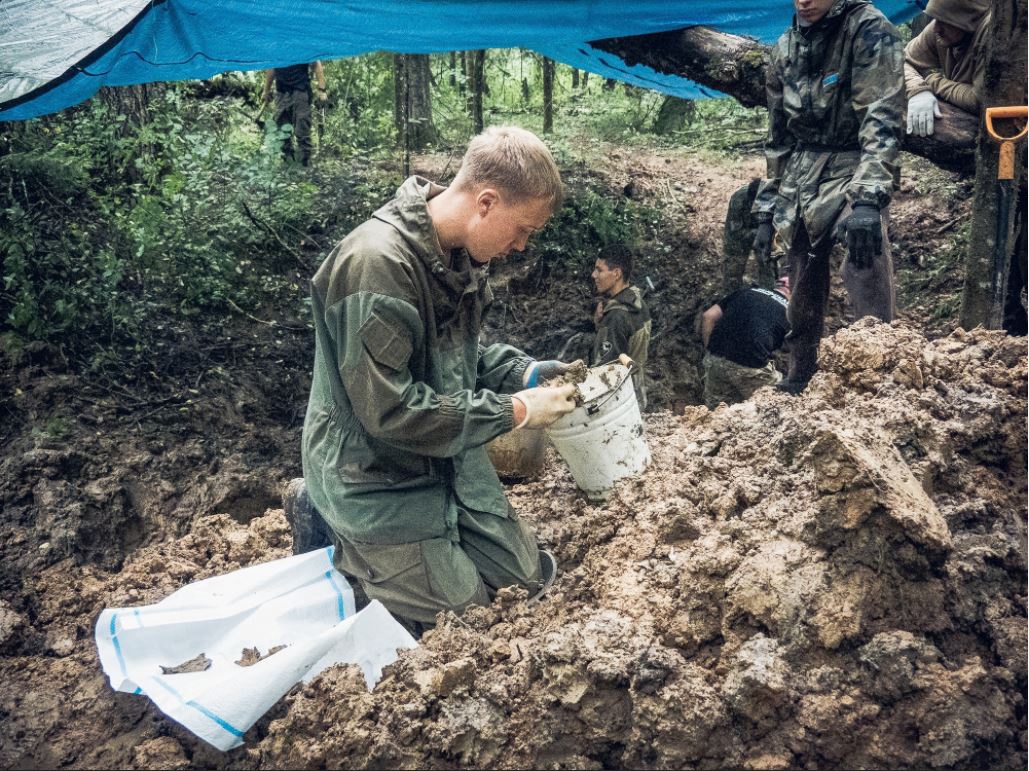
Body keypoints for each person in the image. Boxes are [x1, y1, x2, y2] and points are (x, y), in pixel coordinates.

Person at [286, 126, 580, 635]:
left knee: (525, 581)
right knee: (467, 621)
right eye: (522, 230)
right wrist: (516, 411)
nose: (521, 246)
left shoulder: (458, 254)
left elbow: (453, 358)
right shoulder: (376, 265)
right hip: (373, 472)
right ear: (486, 202)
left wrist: (526, 373)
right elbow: (390, 410)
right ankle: (326, 520)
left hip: (442, 454)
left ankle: (417, 557)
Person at [752, 0, 905, 394]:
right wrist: (766, 211)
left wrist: (868, 198)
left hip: (857, 161)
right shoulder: (785, 46)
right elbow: (778, 137)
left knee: (865, 247)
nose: (805, 1)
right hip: (802, 172)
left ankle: (880, 368)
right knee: (801, 268)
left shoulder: (868, 29)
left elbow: (881, 116)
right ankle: (800, 374)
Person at [701, 277, 792, 408]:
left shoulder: (747, 291)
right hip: (751, 367)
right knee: (787, 401)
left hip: (715, 359)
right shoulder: (791, 311)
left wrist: (711, 352)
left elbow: (708, 316)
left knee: (718, 411)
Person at [904, 0, 991, 137]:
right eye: (935, 19)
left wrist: (932, 81)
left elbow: (981, 101)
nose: (936, 29)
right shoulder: (939, 30)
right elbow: (901, 61)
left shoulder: (992, 33)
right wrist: (918, 90)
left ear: (967, 19)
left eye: (944, 21)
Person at [590, 244, 651, 408]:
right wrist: (599, 323)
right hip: (636, 394)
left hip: (617, 403)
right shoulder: (637, 302)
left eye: (599, 270)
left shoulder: (616, 316)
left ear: (616, 274)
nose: (593, 275)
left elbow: (604, 371)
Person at [262, 61, 327, 165]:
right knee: (282, 130)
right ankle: (288, 162)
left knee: (302, 128)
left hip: (301, 89)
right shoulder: (276, 50)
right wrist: (266, 91)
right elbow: (272, 67)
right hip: (282, 91)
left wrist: (322, 90)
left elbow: (316, 63)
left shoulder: (302, 49)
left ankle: (305, 163)